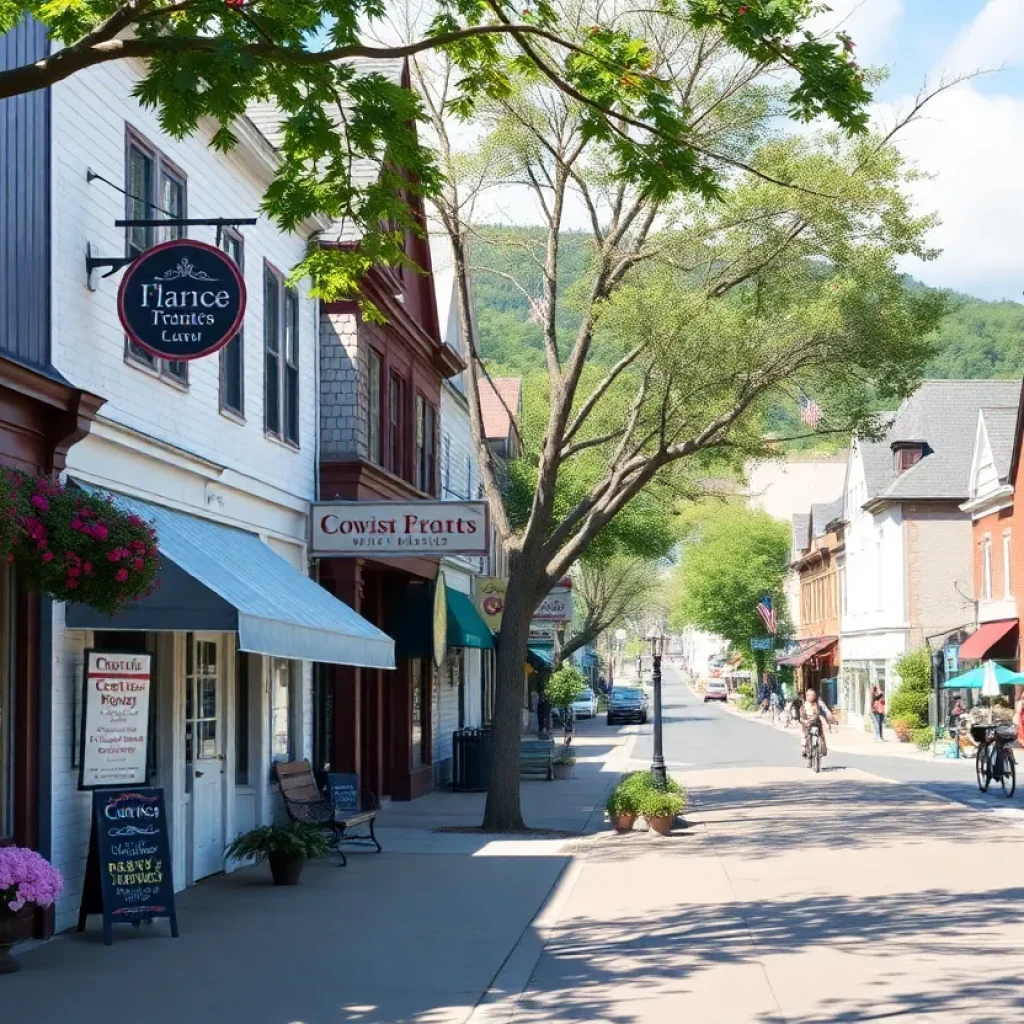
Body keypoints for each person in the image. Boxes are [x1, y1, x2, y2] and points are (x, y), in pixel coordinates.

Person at [800, 687, 835, 758]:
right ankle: (804, 750)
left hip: (817, 723)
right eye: (808, 695)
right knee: (803, 736)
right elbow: (801, 716)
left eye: (812, 695)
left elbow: (826, 712)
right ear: (806, 696)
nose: (810, 697)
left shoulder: (819, 703)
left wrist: (829, 719)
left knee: (821, 736)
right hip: (806, 724)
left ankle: (823, 749)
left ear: (815, 696)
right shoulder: (803, 705)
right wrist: (804, 720)